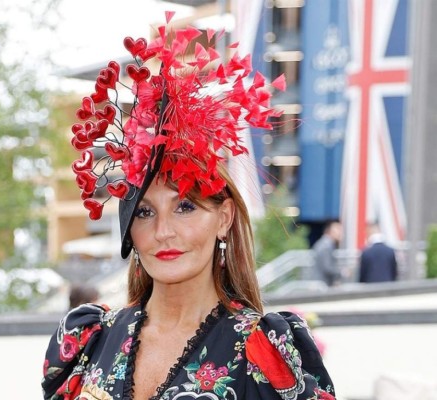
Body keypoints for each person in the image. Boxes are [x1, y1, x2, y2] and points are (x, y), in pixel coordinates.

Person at [42, 14, 335, 400]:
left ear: (224, 218)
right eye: (145, 212)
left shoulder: (264, 350)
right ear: (129, 228)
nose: (163, 231)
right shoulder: (91, 339)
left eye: (185, 207)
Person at [311, 221, 343, 287]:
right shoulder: (326, 246)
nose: (340, 233)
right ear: (330, 231)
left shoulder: (324, 243)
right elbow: (328, 268)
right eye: (338, 229)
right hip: (322, 285)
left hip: (320, 283)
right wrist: (342, 272)